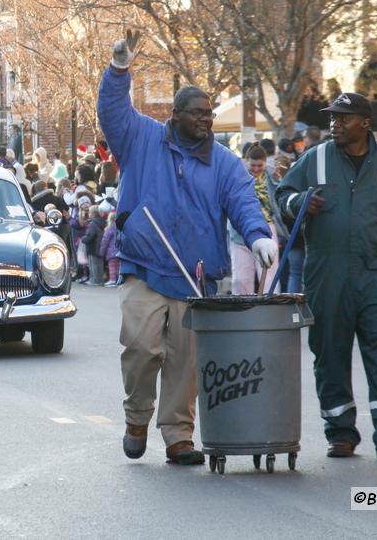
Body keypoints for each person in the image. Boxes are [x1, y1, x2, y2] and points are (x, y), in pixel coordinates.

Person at [98, 30, 275, 466]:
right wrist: (119, 71)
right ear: (174, 114)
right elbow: (112, 112)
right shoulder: (140, 138)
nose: (206, 121)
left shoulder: (226, 165)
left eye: (210, 115)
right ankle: (137, 418)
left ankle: (179, 435)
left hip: (195, 277)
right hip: (144, 264)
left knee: (184, 361)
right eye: (197, 113)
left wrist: (258, 237)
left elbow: (244, 203)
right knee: (141, 348)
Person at [276, 91, 377, 460]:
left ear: (365, 123)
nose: (334, 124)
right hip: (328, 272)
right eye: (332, 118)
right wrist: (298, 204)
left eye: (343, 118)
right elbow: (283, 197)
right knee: (330, 351)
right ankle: (340, 431)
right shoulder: (315, 158)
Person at [228, 143, 286, 295]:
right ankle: (242, 310)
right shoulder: (237, 175)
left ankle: (270, 308)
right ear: (246, 161)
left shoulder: (273, 176)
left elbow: (280, 201)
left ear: (265, 162)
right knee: (241, 278)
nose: (255, 169)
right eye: (252, 165)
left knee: (268, 276)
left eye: (259, 165)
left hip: (268, 228)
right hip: (239, 231)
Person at [81, 204, 106, 286]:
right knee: (100, 264)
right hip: (101, 246)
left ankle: (94, 280)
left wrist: (83, 239)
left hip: (93, 246)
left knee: (93, 264)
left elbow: (90, 235)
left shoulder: (92, 224)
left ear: (92, 214)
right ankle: (100, 279)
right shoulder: (104, 221)